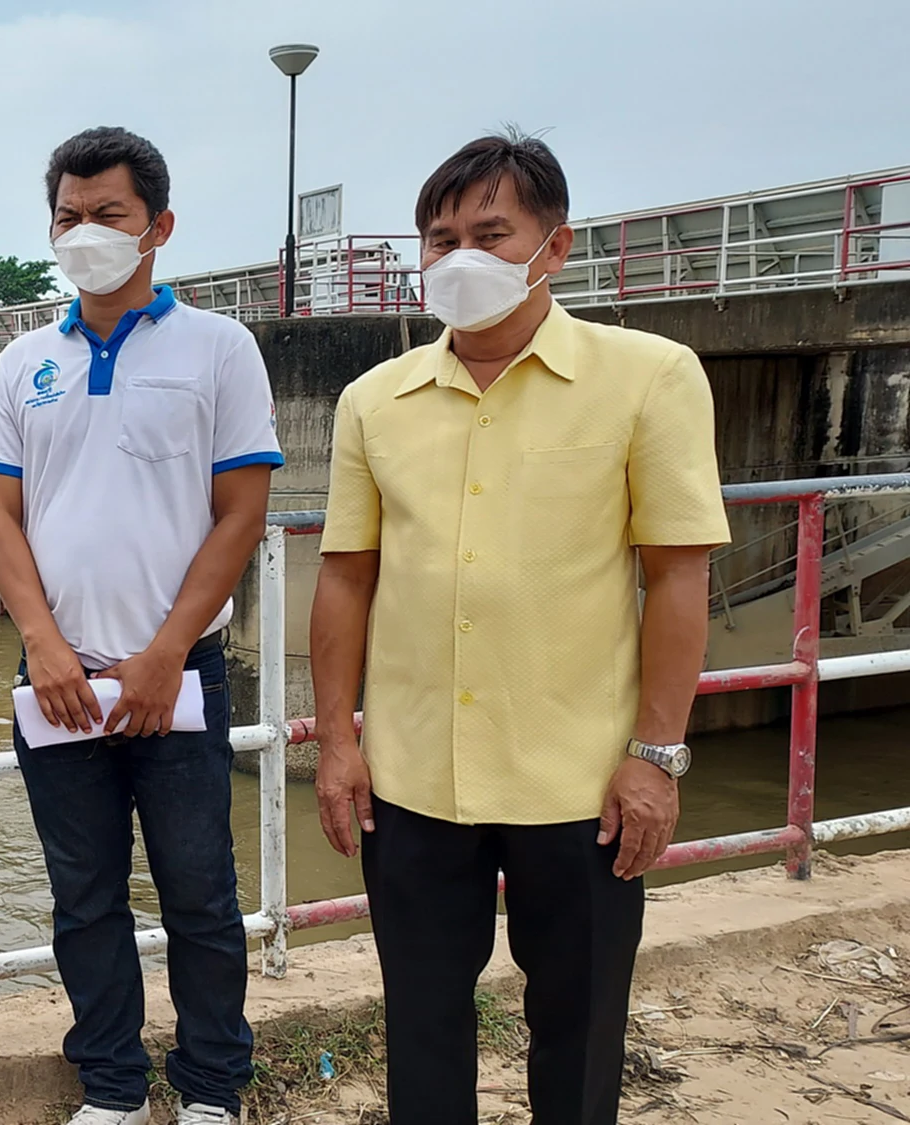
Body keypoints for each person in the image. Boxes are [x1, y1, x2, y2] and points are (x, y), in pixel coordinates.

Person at [310, 133, 730, 1125]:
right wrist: (335, 741)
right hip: (413, 779)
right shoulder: (374, 402)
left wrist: (655, 757)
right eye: (440, 238)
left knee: (578, 1026)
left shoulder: (648, 377)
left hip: (579, 784)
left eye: (489, 233)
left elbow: (677, 575)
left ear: (555, 246)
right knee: (420, 1023)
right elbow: (344, 579)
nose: (460, 257)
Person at [0, 126, 280, 1125]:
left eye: (108, 213)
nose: (85, 232)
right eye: (68, 215)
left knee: (198, 891)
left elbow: (239, 514)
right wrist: (43, 645)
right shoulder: (23, 361)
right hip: (55, 680)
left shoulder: (219, 349)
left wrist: (162, 654)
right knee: (85, 896)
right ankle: (110, 1087)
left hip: (176, 677)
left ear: (159, 225)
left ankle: (210, 1088)